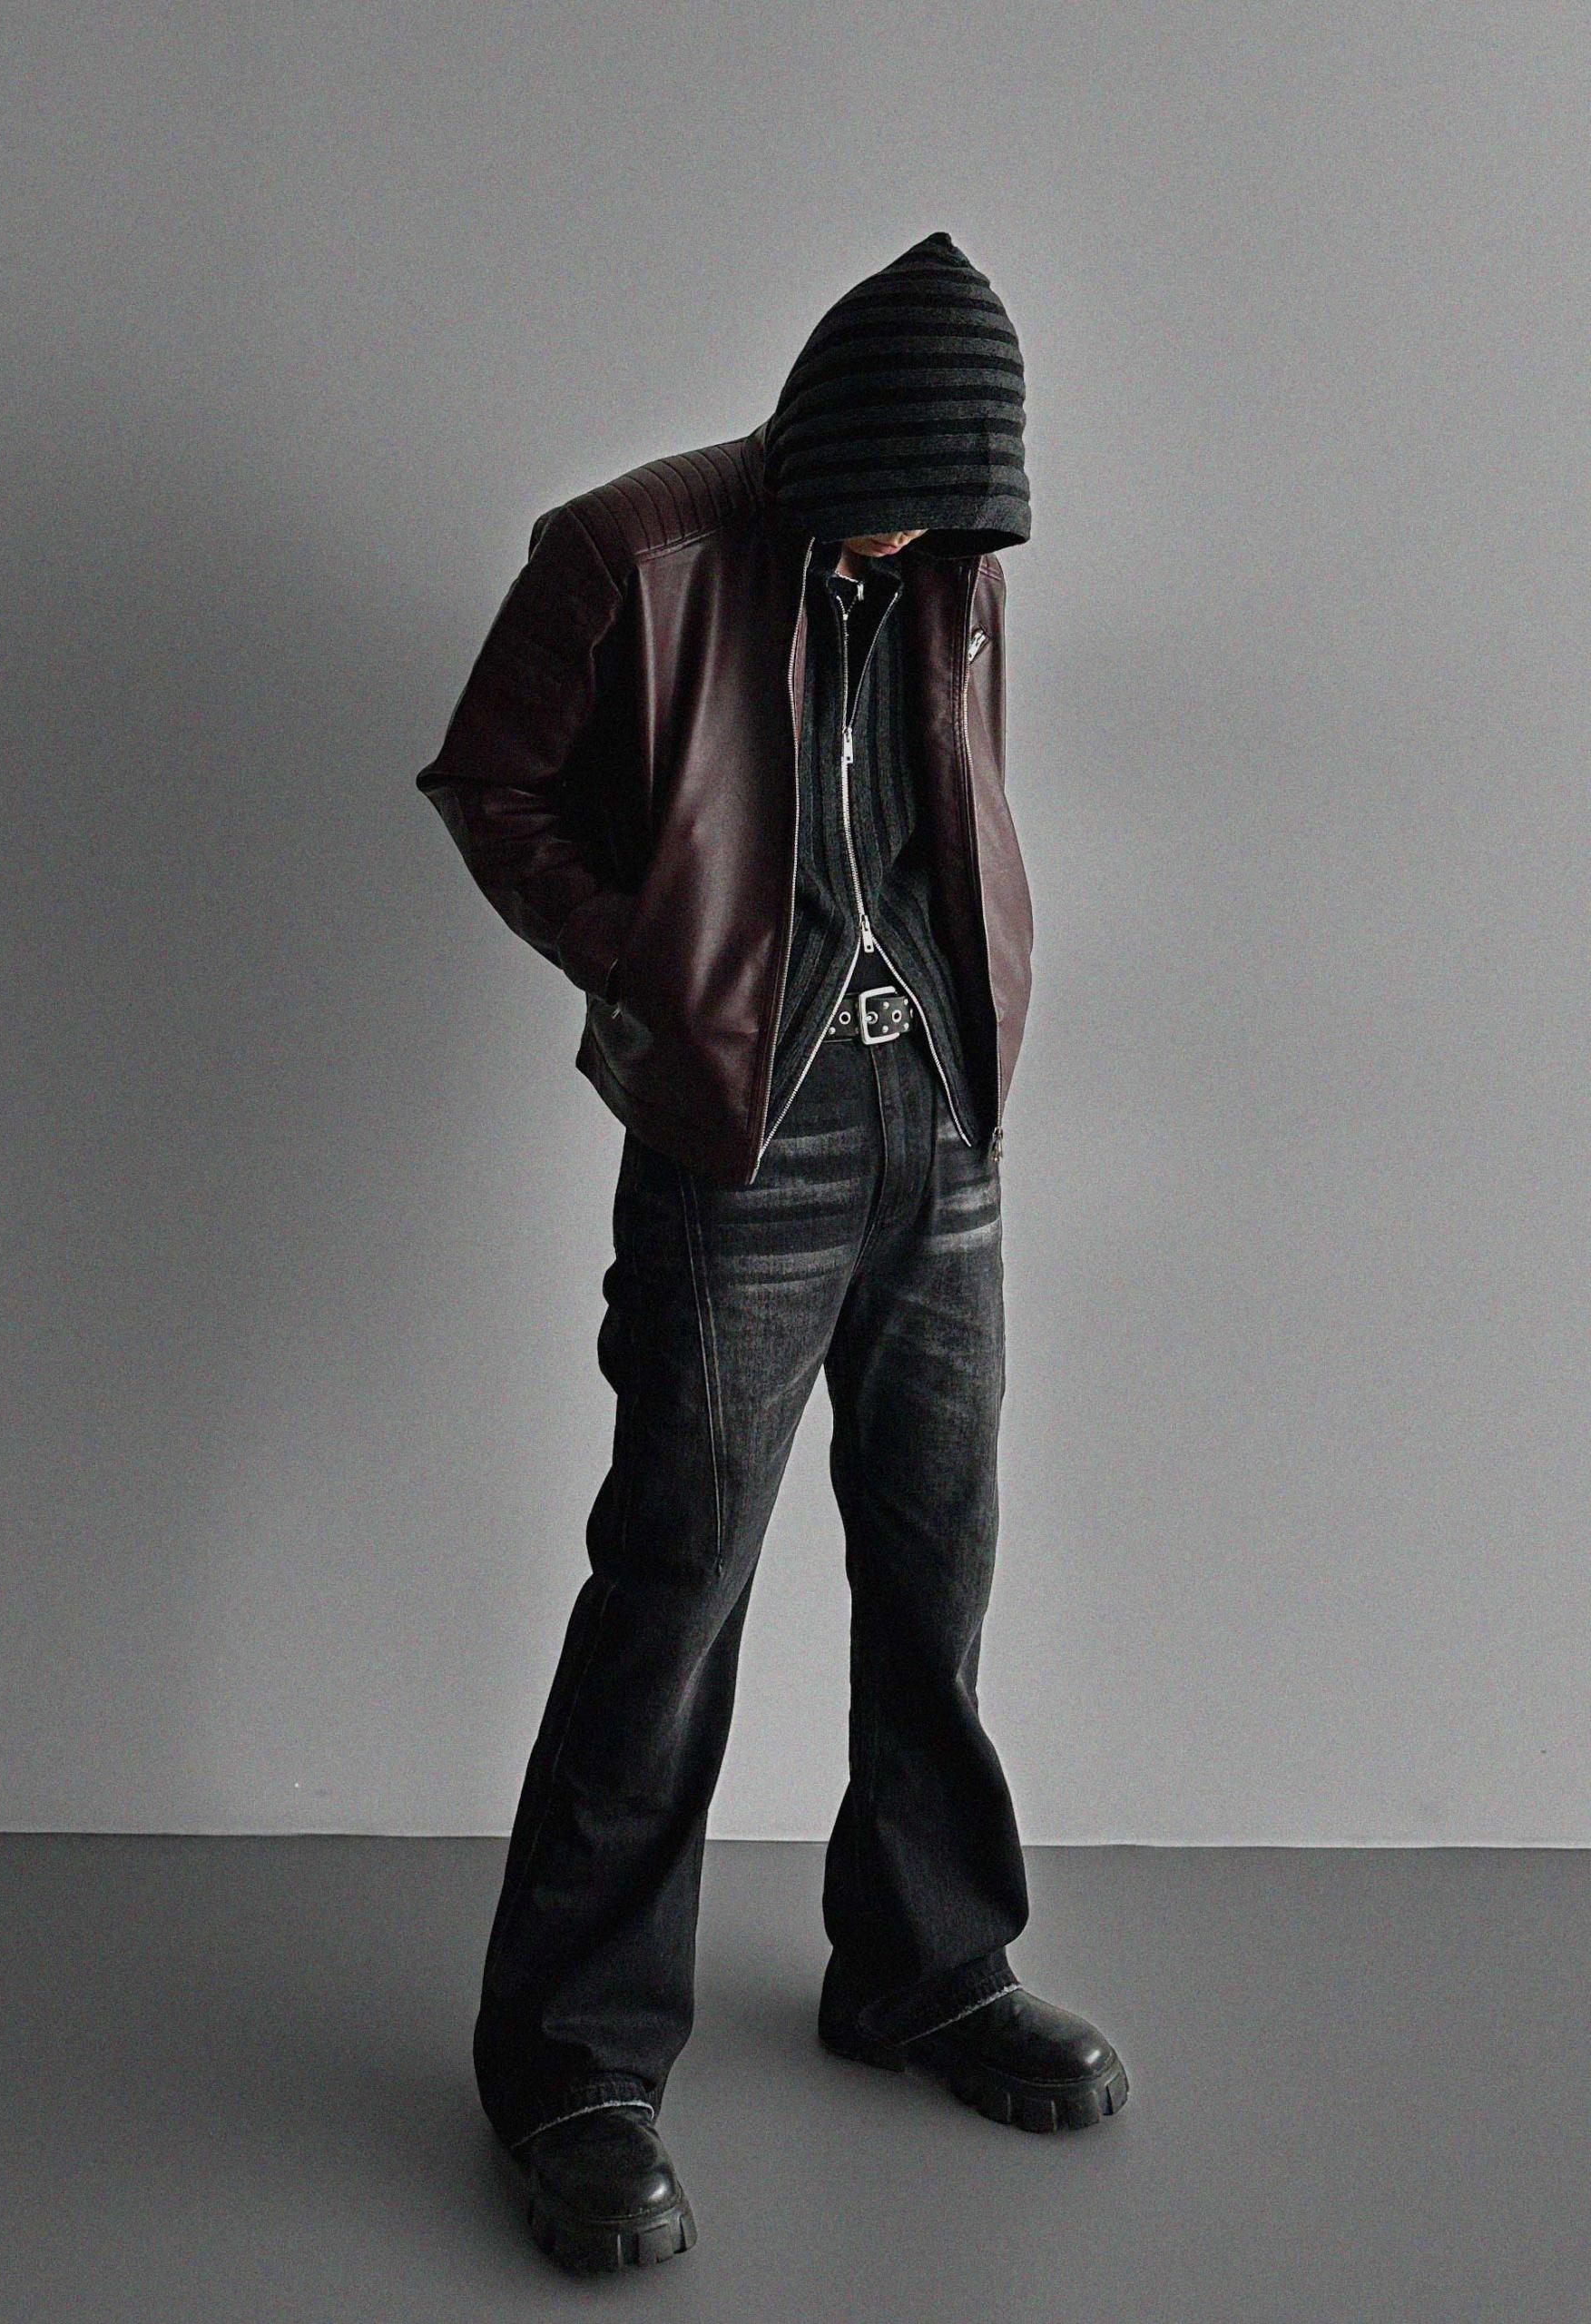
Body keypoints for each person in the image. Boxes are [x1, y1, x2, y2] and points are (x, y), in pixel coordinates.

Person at [416, 230, 1128, 2277]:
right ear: (829, 438)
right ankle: (572, 2063)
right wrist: (658, 965)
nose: (921, 541)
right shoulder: (628, 554)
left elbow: (938, 803)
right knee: (677, 1584)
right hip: (746, 1136)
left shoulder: (952, 559)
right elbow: (490, 781)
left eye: (954, 514)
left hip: (943, 1113)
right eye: (897, 498)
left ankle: (924, 1962)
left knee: (938, 1555)